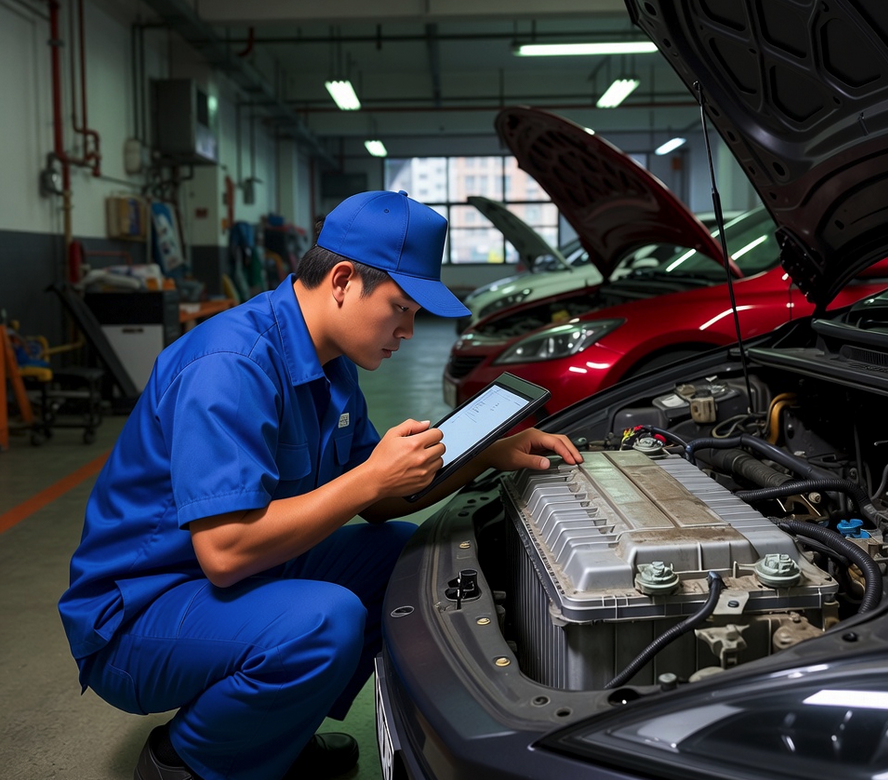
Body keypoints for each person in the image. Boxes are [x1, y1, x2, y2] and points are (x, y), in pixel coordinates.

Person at [58, 189, 582, 780]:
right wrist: (367, 479)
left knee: (398, 557)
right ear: (341, 280)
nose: (409, 330)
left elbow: (385, 498)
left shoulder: (333, 368)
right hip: (139, 614)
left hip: (221, 584)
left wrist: (487, 453)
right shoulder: (230, 364)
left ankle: (272, 738)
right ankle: (187, 764)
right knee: (325, 619)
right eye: (401, 308)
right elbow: (225, 552)